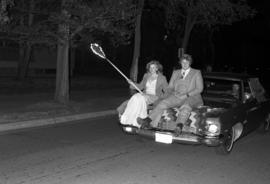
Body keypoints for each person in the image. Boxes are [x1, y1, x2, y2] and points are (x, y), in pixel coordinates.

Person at [137, 54, 204, 130]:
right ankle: (147, 121)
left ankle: (179, 126)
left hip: (192, 96)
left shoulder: (196, 72)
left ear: (190, 63)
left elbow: (199, 89)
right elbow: (170, 87)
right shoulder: (176, 72)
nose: (184, 64)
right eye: (183, 62)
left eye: (187, 62)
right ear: (180, 63)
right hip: (177, 96)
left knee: (186, 106)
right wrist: (170, 93)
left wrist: (186, 95)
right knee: (163, 103)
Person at [117, 60, 168, 127]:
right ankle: (127, 118)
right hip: (144, 94)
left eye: (153, 67)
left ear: (157, 68)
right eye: (150, 67)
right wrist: (132, 83)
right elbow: (141, 86)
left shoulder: (162, 78)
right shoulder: (146, 76)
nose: (151, 69)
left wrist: (161, 98)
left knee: (137, 99)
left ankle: (128, 119)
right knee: (134, 99)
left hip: (155, 96)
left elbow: (167, 90)